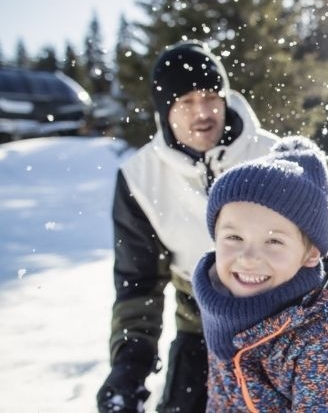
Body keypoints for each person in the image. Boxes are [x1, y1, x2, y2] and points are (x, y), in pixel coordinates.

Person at [96, 40, 280, 412]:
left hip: (277, 326)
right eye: (186, 101)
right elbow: (138, 282)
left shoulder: (272, 157)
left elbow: (315, 254)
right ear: (166, 111)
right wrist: (129, 365)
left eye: (211, 96)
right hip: (200, 327)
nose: (203, 112)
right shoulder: (140, 179)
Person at [191, 136, 328, 411]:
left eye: (274, 242)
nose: (248, 258)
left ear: (311, 253)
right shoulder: (221, 305)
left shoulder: (326, 336)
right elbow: (223, 401)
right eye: (234, 237)